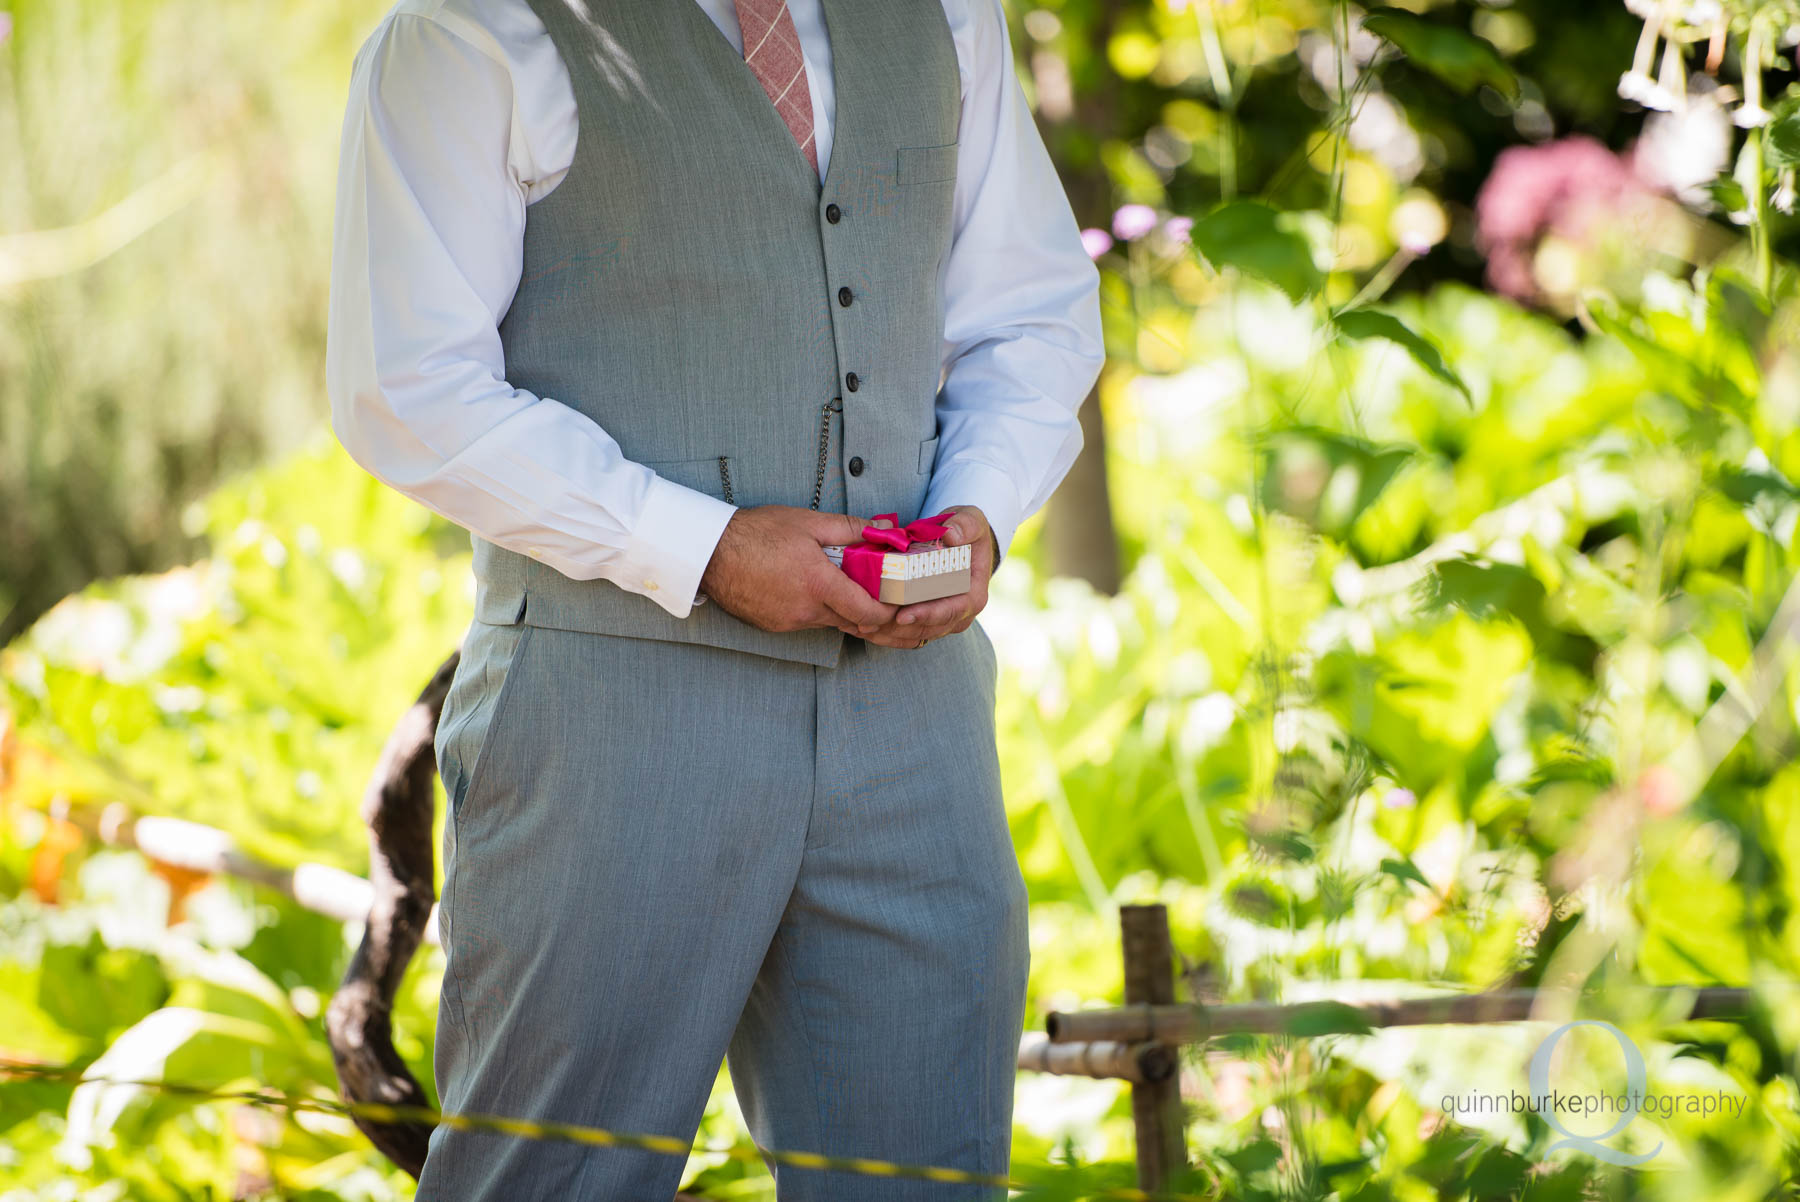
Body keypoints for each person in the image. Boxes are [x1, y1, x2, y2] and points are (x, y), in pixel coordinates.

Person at [325, 0, 1102, 1196]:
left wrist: (976, 509)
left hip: (917, 728)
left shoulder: (949, 14)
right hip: (607, 725)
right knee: (553, 1180)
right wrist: (704, 545)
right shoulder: (471, 28)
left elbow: (1031, 312)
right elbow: (407, 387)